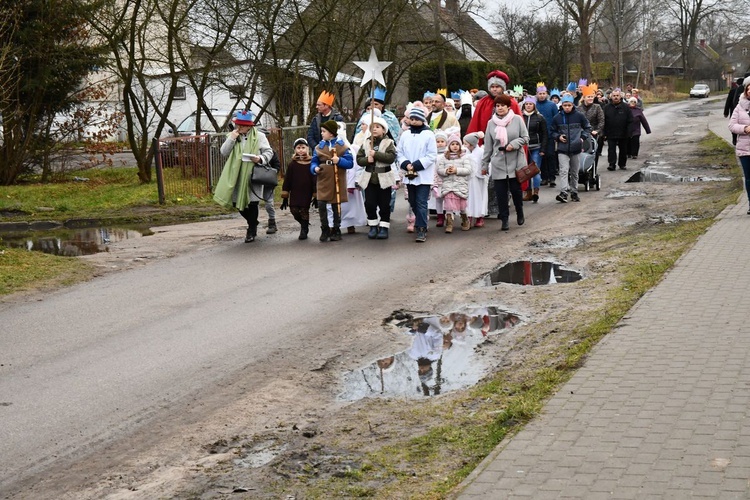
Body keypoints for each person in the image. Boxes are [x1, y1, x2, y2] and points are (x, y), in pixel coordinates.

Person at [213, 110, 274, 243]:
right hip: (237, 175)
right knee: (237, 204)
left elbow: (269, 152)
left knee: (252, 204)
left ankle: (251, 229)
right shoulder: (233, 136)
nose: (239, 127)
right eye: (237, 124)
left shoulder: (259, 136)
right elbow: (223, 152)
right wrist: (232, 138)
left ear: (249, 126)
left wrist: (260, 158)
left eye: (242, 125)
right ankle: (253, 222)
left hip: (253, 175)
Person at [481, 94, 529, 231]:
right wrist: (484, 164)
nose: (500, 108)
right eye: (497, 106)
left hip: (516, 161)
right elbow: (488, 146)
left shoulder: (517, 120)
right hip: (499, 162)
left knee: (515, 190)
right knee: (500, 193)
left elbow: (525, 138)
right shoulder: (491, 123)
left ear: (508, 106)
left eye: (502, 105)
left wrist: (513, 144)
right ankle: (504, 219)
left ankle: (519, 212)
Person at [397, 106, 437, 243]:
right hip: (409, 174)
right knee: (413, 201)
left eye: (416, 119)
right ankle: (421, 220)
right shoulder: (405, 134)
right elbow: (400, 152)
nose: (413, 122)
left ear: (422, 120)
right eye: (411, 119)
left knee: (421, 201)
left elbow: (431, 155)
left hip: (423, 174)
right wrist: (406, 163)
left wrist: (417, 165)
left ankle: (421, 228)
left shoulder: (429, 135)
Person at [310, 120, 354, 242]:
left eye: (324, 131)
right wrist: (315, 168)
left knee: (336, 205)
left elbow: (350, 163)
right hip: (323, 179)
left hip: (337, 180)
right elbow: (314, 161)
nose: (322, 133)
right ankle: (324, 228)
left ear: (332, 133)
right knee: (322, 204)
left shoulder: (342, 146)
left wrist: (339, 161)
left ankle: (336, 228)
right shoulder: (319, 147)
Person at [356, 115, 398, 239]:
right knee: (370, 203)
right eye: (372, 127)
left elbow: (391, 158)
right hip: (370, 178)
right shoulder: (366, 142)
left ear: (384, 130)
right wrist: (366, 160)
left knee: (384, 204)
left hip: (384, 177)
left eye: (378, 127)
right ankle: (373, 225)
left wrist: (377, 154)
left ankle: (384, 226)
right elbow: (359, 159)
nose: (374, 129)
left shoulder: (389, 142)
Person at [551, 95, 592, 203]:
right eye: (565, 105)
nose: (567, 107)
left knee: (574, 171)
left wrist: (582, 137)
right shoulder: (557, 118)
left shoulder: (579, 116)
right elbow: (552, 131)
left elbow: (587, 127)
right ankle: (564, 192)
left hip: (576, 147)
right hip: (562, 148)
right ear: (562, 105)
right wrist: (558, 137)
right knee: (563, 171)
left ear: (573, 105)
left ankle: (574, 191)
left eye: (569, 105)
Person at [466, 70, 521, 141]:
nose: (494, 89)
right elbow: (475, 123)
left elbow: (518, 126)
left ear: (502, 87)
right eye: (492, 87)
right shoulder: (483, 102)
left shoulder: (511, 102)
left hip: (507, 142)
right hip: (485, 141)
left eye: (497, 87)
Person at [280, 138, 316, 240]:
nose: (301, 150)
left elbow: (314, 179)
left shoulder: (311, 163)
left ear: (308, 149)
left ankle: (304, 229)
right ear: (295, 149)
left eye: (303, 147)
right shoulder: (292, 164)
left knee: (304, 210)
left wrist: (315, 193)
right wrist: (285, 196)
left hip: (307, 191)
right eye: (298, 148)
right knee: (294, 210)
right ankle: (304, 223)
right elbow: (287, 180)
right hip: (295, 191)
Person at [436, 133, 472, 232]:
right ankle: (449, 222)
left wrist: (457, 170)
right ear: (449, 146)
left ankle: (465, 219)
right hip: (448, 185)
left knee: (462, 205)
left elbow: (468, 170)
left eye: (457, 144)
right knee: (448, 205)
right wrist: (446, 171)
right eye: (452, 144)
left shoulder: (464, 157)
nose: (455, 146)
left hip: (460, 185)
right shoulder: (444, 158)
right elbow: (439, 169)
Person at [728, 78, 750, 214]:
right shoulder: (740, 106)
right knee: (749, 178)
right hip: (745, 148)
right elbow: (731, 125)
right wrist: (744, 128)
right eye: (748, 89)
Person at [521, 96, 547, 203]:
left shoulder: (540, 118)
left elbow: (545, 134)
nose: (528, 106)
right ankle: (528, 192)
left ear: (534, 106)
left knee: (535, 170)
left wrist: (543, 149)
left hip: (536, 146)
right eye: (526, 104)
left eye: (530, 104)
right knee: (525, 171)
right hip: (523, 148)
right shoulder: (520, 117)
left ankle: (536, 191)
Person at [535, 82, 559, 188]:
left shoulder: (552, 105)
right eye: (540, 94)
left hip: (549, 135)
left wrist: (556, 133)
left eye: (544, 93)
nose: (542, 95)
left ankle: (552, 177)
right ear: (537, 94)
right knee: (542, 156)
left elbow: (556, 119)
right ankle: (544, 177)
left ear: (546, 94)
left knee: (551, 155)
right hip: (537, 136)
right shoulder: (534, 105)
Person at [603, 88, 633, 171]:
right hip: (610, 132)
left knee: (623, 149)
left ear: (620, 96)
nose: (615, 97)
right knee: (611, 149)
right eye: (614, 96)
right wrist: (604, 133)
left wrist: (629, 131)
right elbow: (603, 120)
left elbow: (630, 120)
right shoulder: (606, 108)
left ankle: (622, 164)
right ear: (611, 97)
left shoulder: (626, 107)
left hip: (623, 132)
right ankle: (612, 164)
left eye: (617, 96)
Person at [577, 84, 604, 168]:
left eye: (592, 97)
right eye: (588, 97)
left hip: (594, 133)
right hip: (581, 133)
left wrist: (597, 131)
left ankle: (593, 170)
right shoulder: (578, 108)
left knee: (593, 152)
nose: (590, 98)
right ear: (584, 97)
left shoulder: (597, 107)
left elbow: (601, 120)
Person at [463, 131, 487, 227]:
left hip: (479, 179)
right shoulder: (465, 152)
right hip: (468, 179)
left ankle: (479, 217)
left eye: (465, 143)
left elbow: (485, 162)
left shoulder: (481, 152)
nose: (464, 145)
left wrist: (483, 171)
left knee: (479, 197)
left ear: (472, 144)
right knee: (469, 198)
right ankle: (469, 215)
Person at [725, 77, 745, 145]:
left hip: (734, 111)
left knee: (734, 125)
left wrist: (726, 112)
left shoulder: (733, 90)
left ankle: (734, 139)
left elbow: (728, 102)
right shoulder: (744, 90)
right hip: (741, 112)